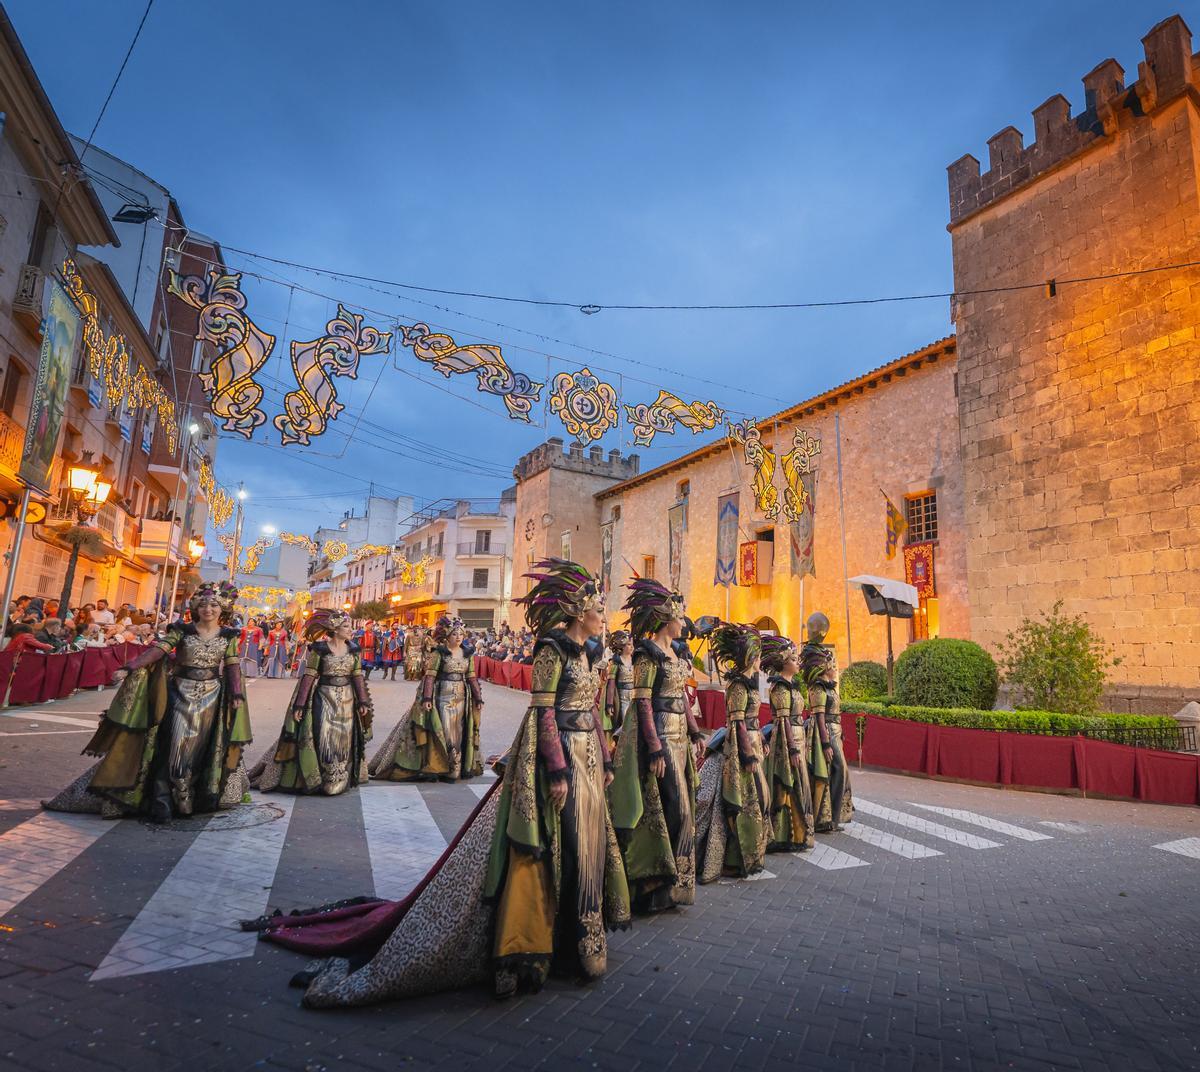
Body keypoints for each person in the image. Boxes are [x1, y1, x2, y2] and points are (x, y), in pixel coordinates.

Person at [250, 558, 630, 1008]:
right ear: (578, 610)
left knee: (585, 843)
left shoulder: (591, 653)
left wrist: (605, 757)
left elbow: (594, 712)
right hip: (559, 755)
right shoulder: (552, 651)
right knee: (551, 843)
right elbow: (543, 712)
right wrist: (558, 769)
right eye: (598, 608)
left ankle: (575, 936)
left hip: (588, 758)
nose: (604, 614)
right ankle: (530, 944)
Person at [43, 582, 251, 823]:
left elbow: (232, 665)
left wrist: (236, 694)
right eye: (203, 604)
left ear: (222, 608)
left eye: (214, 605)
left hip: (212, 696)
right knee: (175, 744)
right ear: (196, 607)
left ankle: (186, 796)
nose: (208, 609)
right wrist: (130, 667)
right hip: (179, 693)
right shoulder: (182, 630)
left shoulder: (228, 636)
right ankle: (164, 800)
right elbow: (159, 650)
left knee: (198, 748)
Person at [609, 579, 703, 914]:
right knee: (676, 810)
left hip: (680, 737)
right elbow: (644, 703)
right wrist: (654, 748)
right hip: (662, 735)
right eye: (679, 617)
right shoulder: (647, 655)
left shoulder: (675, 653)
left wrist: (696, 733)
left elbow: (683, 697)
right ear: (666, 619)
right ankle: (656, 883)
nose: (683, 622)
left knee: (681, 808)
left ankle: (669, 887)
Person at [252, 609, 373, 795]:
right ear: (335, 629)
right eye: (346, 626)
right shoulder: (320, 650)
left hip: (347, 699)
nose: (351, 630)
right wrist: (300, 704)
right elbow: (309, 676)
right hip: (324, 697)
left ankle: (340, 775)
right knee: (324, 734)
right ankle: (322, 775)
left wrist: (363, 702)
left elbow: (357, 676)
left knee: (344, 736)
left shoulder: (354, 650)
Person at [371, 615, 484, 782]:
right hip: (443, 696)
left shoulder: (467, 654)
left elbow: (472, 677)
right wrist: (427, 698)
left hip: (461, 696)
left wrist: (478, 698)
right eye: (454, 634)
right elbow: (430, 677)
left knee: (458, 731)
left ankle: (455, 766)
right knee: (445, 730)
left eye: (461, 634)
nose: (458, 637)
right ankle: (441, 765)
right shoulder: (440, 653)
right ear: (448, 636)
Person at [695, 623, 768, 883]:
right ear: (750, 656)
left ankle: (745, 856)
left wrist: (761, 739)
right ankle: (731, 859)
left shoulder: (749, 685)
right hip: (737, 751)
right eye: (757, 655)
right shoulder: (738, 686)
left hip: (752, 744)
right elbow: (737, 723)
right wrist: (747, 755)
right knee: (739, 803)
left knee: (756, 801)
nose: (760, 660)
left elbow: (751, 721)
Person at [761, 634, 816, 853]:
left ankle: (799, 832)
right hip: (785, 741)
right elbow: (783, 721)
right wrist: (792, 749)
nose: (798, 662)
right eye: (793, 659)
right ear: (784, 663)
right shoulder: (781, 688)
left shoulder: (792, 686)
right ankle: (785, 834)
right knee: (788, 783)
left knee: (800, 782)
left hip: (797, 737)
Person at [802, 612, 853, 832]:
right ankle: (829, 818)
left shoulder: (829, 687)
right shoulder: (818, 688)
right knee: (839, 769)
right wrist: (825, 743)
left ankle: (834, 815)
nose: (834, 667)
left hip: (835, 730)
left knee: (839, 771)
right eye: (831, 664)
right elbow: (819, 716)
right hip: (827, 731)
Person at [603, 629, 634, 750]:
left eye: (631, 644)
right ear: (622, 647)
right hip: (622, 696)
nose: (631, 647)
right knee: (626, 721)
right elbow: (611, 683)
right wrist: (609, 703)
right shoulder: (616, 663)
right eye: (628, 644)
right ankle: (618, 740)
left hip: (634, 696)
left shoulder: (635, 660)